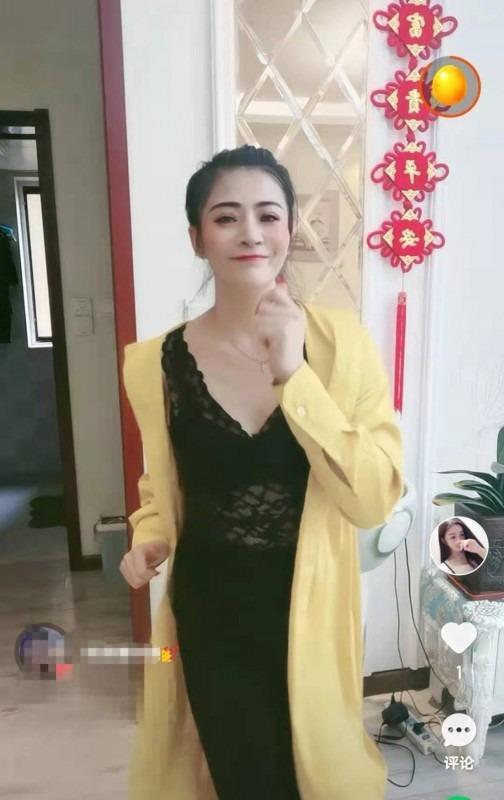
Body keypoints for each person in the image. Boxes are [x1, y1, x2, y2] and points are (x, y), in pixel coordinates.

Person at [120, 144, 404, 800]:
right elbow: (162, 485)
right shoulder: (152, 363)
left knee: (318, 772)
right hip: (211, 610)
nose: (250, 232)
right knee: (240, 775)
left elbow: (372, 498)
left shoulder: (343, 344)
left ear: (288, 229)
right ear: (197, 238)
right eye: (226, 217)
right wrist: (149, 535)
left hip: (311, 607)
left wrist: (293, 373)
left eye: (268, 215)